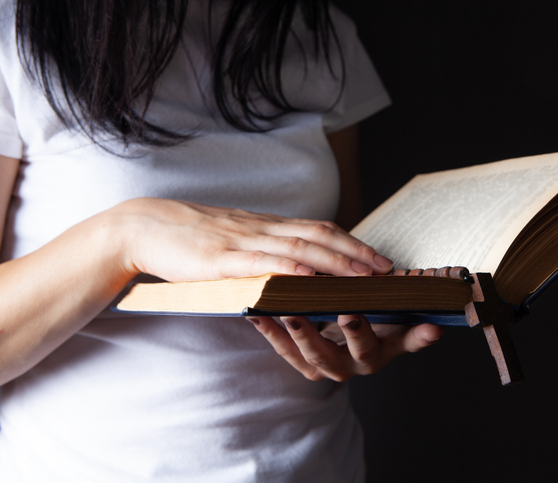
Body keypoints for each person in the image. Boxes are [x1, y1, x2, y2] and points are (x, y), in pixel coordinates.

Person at [0, 0, 444, 481]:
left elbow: (344, 263)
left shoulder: (318, 30)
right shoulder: (14, 30)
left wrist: (355, 329)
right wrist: (127, 234)